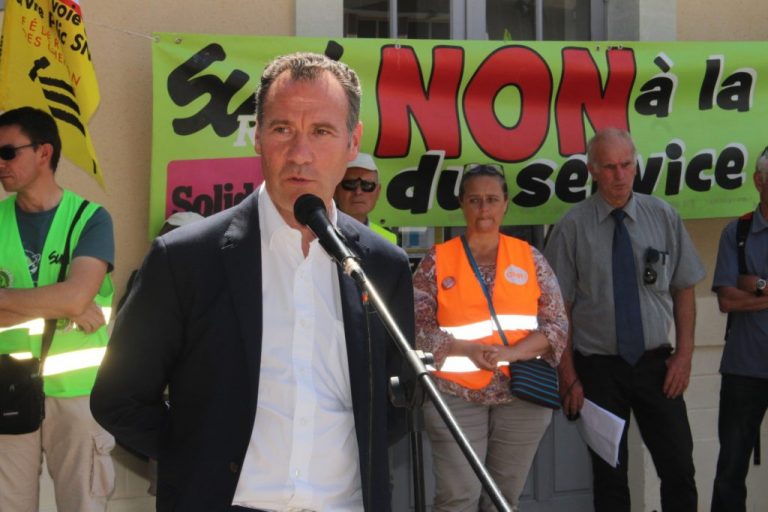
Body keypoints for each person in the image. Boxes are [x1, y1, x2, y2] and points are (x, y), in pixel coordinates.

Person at [90, 52, 415, 512]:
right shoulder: (186, 258)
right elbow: (119, 398)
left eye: (321, 131)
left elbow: (395, 405)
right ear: (257, 137)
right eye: (283, 129)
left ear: (352, 140)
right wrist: (198, 458)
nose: (300, 153)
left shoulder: (384, 264)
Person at [544, 128, 705, 512]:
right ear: (592, 170)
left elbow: (685, 288)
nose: (619, 176)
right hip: (598, 369)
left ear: (636, 166)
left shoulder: (662, 216)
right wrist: (568, 377)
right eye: (610, 167)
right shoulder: (572, 227)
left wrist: (684, 356)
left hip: (657, 366)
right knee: (610, 479)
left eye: (627, 165)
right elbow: (557, 309)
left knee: (679, 468)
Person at [413, 163, 567, 511]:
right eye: (475, 200)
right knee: (458, 497)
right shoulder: (437, 260)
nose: (484, 209)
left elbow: (556, 325)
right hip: (455, 394)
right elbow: (418, 329)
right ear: (462, 204)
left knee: (502, 500)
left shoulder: (531, 258)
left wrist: (510, 354)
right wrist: (466, 349)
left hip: (521, 396)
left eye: (492, 199)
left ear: (506, 203)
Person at [0, 107, 115, 512]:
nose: (0, 163)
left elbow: (77, 297)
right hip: (7, 387)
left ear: (44, 152)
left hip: (79, 395)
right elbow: (71, 302)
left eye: (8, 152)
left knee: (84, 505)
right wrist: (64, 305)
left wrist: (69, 301)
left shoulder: (90, 219)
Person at [710, 148, 768, 512]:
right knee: (731, 467)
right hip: (744, 369)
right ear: (760, 182)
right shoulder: (738, 231)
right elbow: (727, 300)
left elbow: (743, 290)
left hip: (745, 367)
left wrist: (758, 285)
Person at [334, 152, 397, 243]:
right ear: (335, 190)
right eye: (350, 184)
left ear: (378, 192)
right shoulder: (316, 234)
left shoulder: (388, 239)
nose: (358, 192)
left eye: (367, 185)